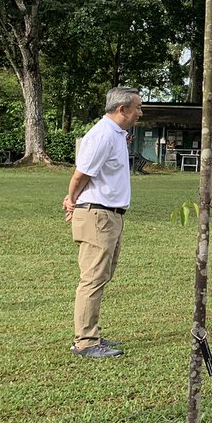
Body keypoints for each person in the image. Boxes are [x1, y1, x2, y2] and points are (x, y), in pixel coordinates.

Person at [62, 87, 143, 359]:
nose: (140, 113)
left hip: (109, 216)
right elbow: (80, 175)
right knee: (93, 279)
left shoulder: (115, 135)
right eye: (137, 108)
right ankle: (85, 342)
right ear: (122, 109)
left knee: (101, 277)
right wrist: (71, 199)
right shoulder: (102, 135)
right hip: (98, 215)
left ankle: (91, 333)